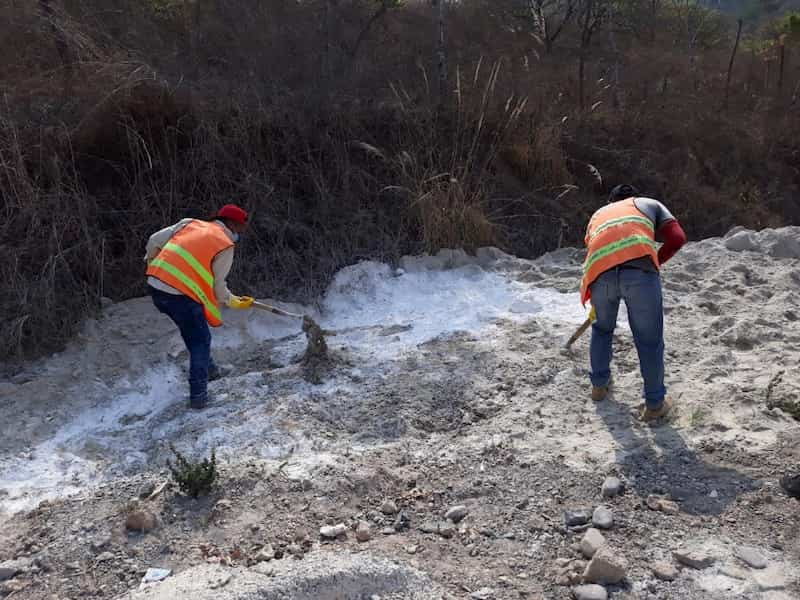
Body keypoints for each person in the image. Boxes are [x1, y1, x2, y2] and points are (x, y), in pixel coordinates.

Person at [580, 185, 687, 421]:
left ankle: (599, 386)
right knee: (649, 341)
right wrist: (655, 260)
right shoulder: (649, 203)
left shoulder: (598, 214)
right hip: (639, 272)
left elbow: (595, 246)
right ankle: (655, 405)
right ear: (633, 197)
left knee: (602, 329)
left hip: (598, 274)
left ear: (611, 201)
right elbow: (678, 238)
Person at [144, 204, 255, 409]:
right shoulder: (224, 244)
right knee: (200, 341)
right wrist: (234, 302)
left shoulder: (189, 224)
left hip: (156, 288)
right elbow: (218, 287)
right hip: (180, 296)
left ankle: (211, 370)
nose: (240, 234)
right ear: (232, 224)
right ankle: (199, 397)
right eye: (240, 229)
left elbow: (153, 241)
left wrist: (153, 264)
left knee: (193, 331)